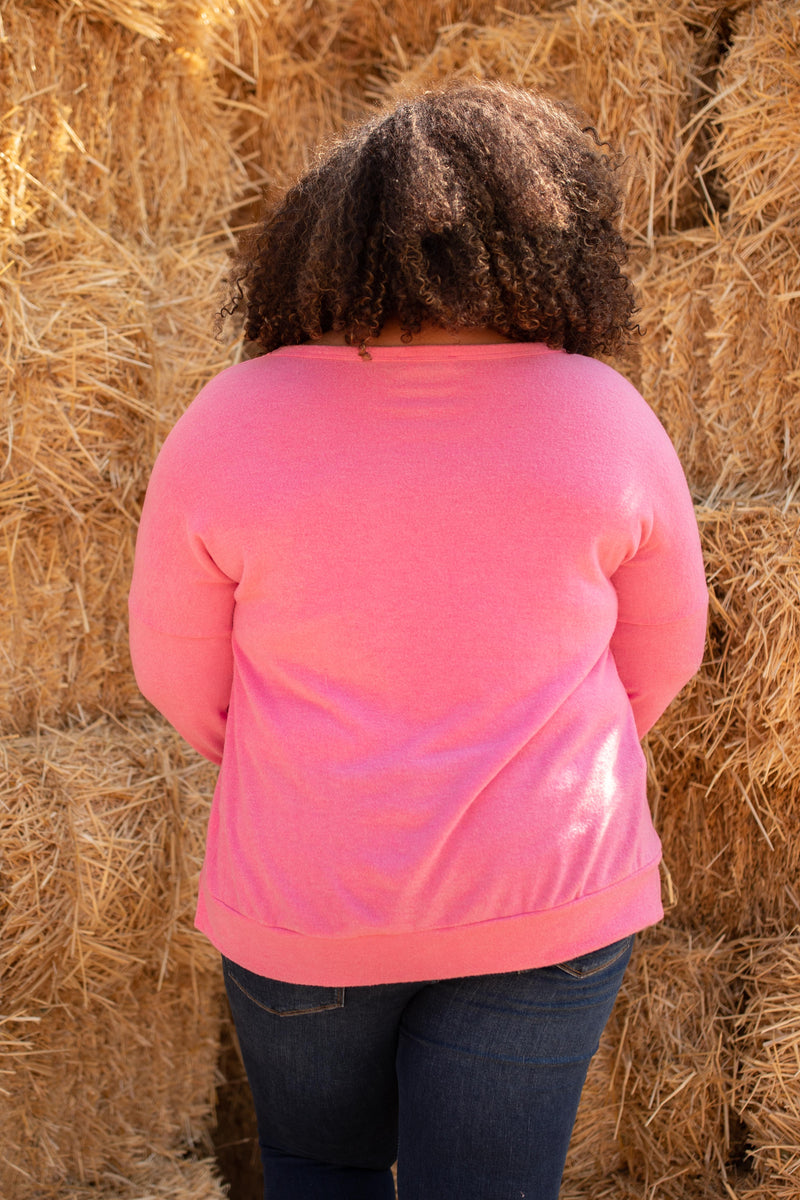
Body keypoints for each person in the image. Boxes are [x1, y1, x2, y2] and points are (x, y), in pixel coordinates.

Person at [128, 82, 708, 1200]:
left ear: (321, 246)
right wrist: (531, 751)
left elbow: (179, 679)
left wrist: (315, 775)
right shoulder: (602, 413)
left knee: (316, 1168)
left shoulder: (228, 417)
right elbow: (659, 658)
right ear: (550, 241)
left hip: (304, 889)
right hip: (548, 886)